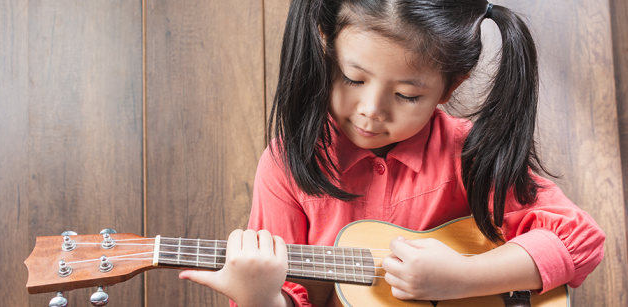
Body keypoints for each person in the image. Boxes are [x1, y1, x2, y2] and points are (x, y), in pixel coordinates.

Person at [179, 1, 606, 306]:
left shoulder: (469, 155)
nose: (371, 110)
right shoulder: (287, 165)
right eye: (352, 78)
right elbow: (291, 295)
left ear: (451, 86)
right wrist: (259, 296)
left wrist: (459, 279)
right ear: (326, 47)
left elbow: (581, 240)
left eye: (405, 95)